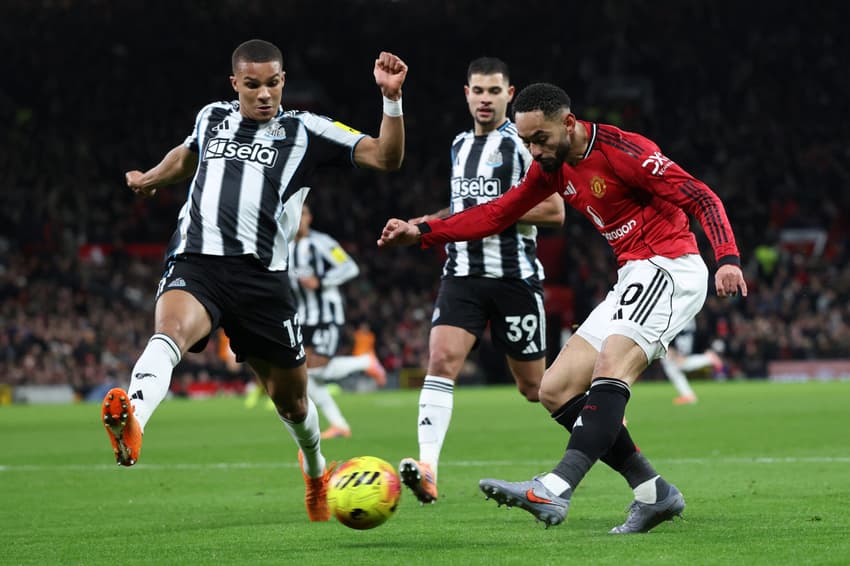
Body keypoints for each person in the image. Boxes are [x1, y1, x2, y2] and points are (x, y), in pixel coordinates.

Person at [378, 82, 746, 533]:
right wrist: (423, 231)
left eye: (540, 139)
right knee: (554, 388)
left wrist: (726, 258)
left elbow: (701, 196)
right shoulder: (551, 167)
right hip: (632, 273)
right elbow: (498, 213)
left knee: (610, 367)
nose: (533, 150)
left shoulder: (623, 151)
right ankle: (653, 493)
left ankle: (554, 487)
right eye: (526, 140)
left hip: (670, 265)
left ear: (568, 124)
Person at [101, 39, 407, 523]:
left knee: (292, 400)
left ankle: (315, 470)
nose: (264, 94)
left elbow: (386, 158)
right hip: (197, 261)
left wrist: (391, 99)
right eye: (252, 84)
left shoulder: (306, 129)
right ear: (234, 84)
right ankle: (133, 418)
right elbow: (186, 156)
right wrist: (152, 179)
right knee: (169, 333)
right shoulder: (211, 117)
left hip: (262, 281)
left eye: (273, 83)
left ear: (283, 80)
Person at [397, 57, 565, 505]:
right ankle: (428, 468)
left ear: (510, 95)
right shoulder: (458, 146)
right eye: (478, 90)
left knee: (537, 389)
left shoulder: (523, 145)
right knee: (442, 360)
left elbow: (555, 211)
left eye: (494, 91)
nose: (485, 99)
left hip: (514, 277)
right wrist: (425, 224)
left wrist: (498, 211)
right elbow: (463, 207)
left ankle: (605, 422)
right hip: (462, 275)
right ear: (466, 94)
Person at [288, 201, 387, 439]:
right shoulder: (284, 246)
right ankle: (339, 425)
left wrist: (321, 281)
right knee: (306, 375)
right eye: (295, 213)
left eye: (303, 213)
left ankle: (365, 362)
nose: (299, 218)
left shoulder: (322, 243)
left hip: (326, 314)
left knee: (312, 371)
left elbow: (349, 267)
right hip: (302, 316)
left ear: (310, 218)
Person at [660, 318, 724, 405]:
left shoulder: (681, 313)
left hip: (681, 341)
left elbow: (681, 331)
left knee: (672, 363)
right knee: (671, 364)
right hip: (683, 339)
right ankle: (688, 395)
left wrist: (677, 352)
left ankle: (708, 359)